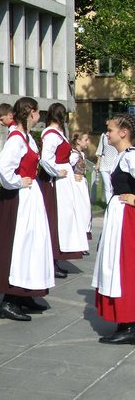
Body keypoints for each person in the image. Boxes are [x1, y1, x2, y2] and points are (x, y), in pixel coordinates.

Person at [0, 97, 54, 321]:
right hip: (20, 200)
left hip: (29, 197)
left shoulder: (26, 137)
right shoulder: (16, 139)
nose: (39, 116)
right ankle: (10, 300)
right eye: (37, 112)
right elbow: (3, 168)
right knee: (19, 246)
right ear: (30, 112)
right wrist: (18, 181)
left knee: (31, 245)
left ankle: (24, 293)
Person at [93, 114, 135, 344]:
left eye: (110, 130)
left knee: (124, 269)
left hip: (127, 219)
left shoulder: (131, 156)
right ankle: (125, 322)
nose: (106, 134)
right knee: (118, 268)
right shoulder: (122, 156)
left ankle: (129, 325)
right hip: (119, 217)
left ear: (123, 132)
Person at [39, 103, 84, 279]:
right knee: (55, 219)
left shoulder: (57, 133)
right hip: (56, 183)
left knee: (63, 218)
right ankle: (52, 259)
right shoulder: (51, 134)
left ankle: (56, 256)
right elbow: (45, 159)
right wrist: (57, 172)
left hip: (63, 182)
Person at [71, 132, 93, 248]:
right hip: (77, 186)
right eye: (85, 140)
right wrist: (73, 175)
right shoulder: (74, 155)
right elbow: (67, 167)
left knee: (86, 210)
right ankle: (79, 240)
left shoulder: (81, 154)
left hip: (82, 185)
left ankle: (83, 240)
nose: (87, 142)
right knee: (81, 210)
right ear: (78, 141)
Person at [96, 127, 119, 203]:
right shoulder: (103, 136)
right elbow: (100, 150)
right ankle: (108, 204)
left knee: (114, 186)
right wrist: (98, 164)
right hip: (104, 165)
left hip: (114, 165)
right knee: (107, 187)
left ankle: (114, 203)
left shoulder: (117, 135)